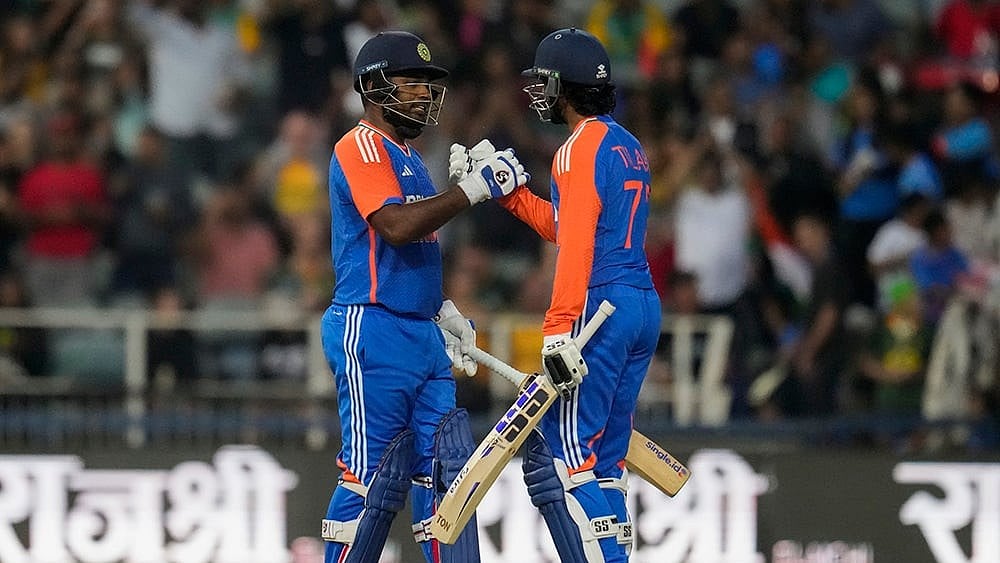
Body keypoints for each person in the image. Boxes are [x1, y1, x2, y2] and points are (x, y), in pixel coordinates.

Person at [319, 31, 528, 563]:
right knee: (373, 477)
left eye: (428, 83)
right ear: (374, 86)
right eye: (411, 81)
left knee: (448, 476)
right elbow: (394, 227)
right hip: (374, 327)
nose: (423, 94)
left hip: (420, 330)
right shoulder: (360, 144)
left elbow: (419, 242)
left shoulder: (408, 155)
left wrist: (442, 307)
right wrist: (470, 191)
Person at [455, 27, 661, 562]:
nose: (538, 94)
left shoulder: (574, 149)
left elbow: (575, 253)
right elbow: (572, 227)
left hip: (600, 308)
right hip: (641, 303)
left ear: (564, 86)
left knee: (573, 459)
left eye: (544, 82)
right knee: (608, 461)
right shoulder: (628, 145)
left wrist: (556, 328)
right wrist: (512, 196)